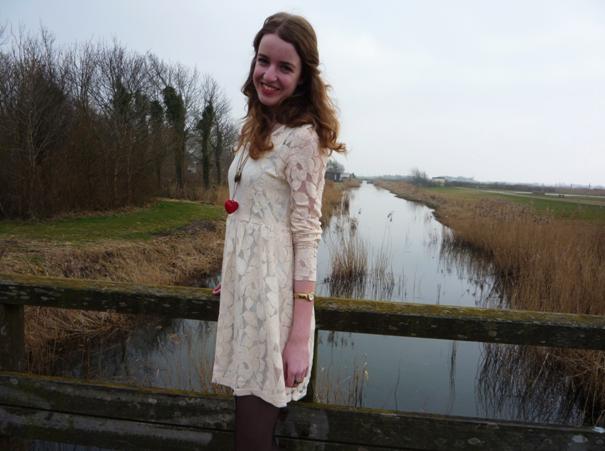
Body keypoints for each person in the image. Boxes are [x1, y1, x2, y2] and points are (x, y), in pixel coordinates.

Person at [211, 11, 345, 451]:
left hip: (272, 308)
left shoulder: (303, 138)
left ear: (303, 76)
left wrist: (299, 336)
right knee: (247, 432)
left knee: (252, 439)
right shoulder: (257, 127)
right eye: (263, 61)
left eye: (285, 67)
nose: (269, 75)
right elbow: (250, 212)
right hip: (246, 293)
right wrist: (235, 272)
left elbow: (306, 232)